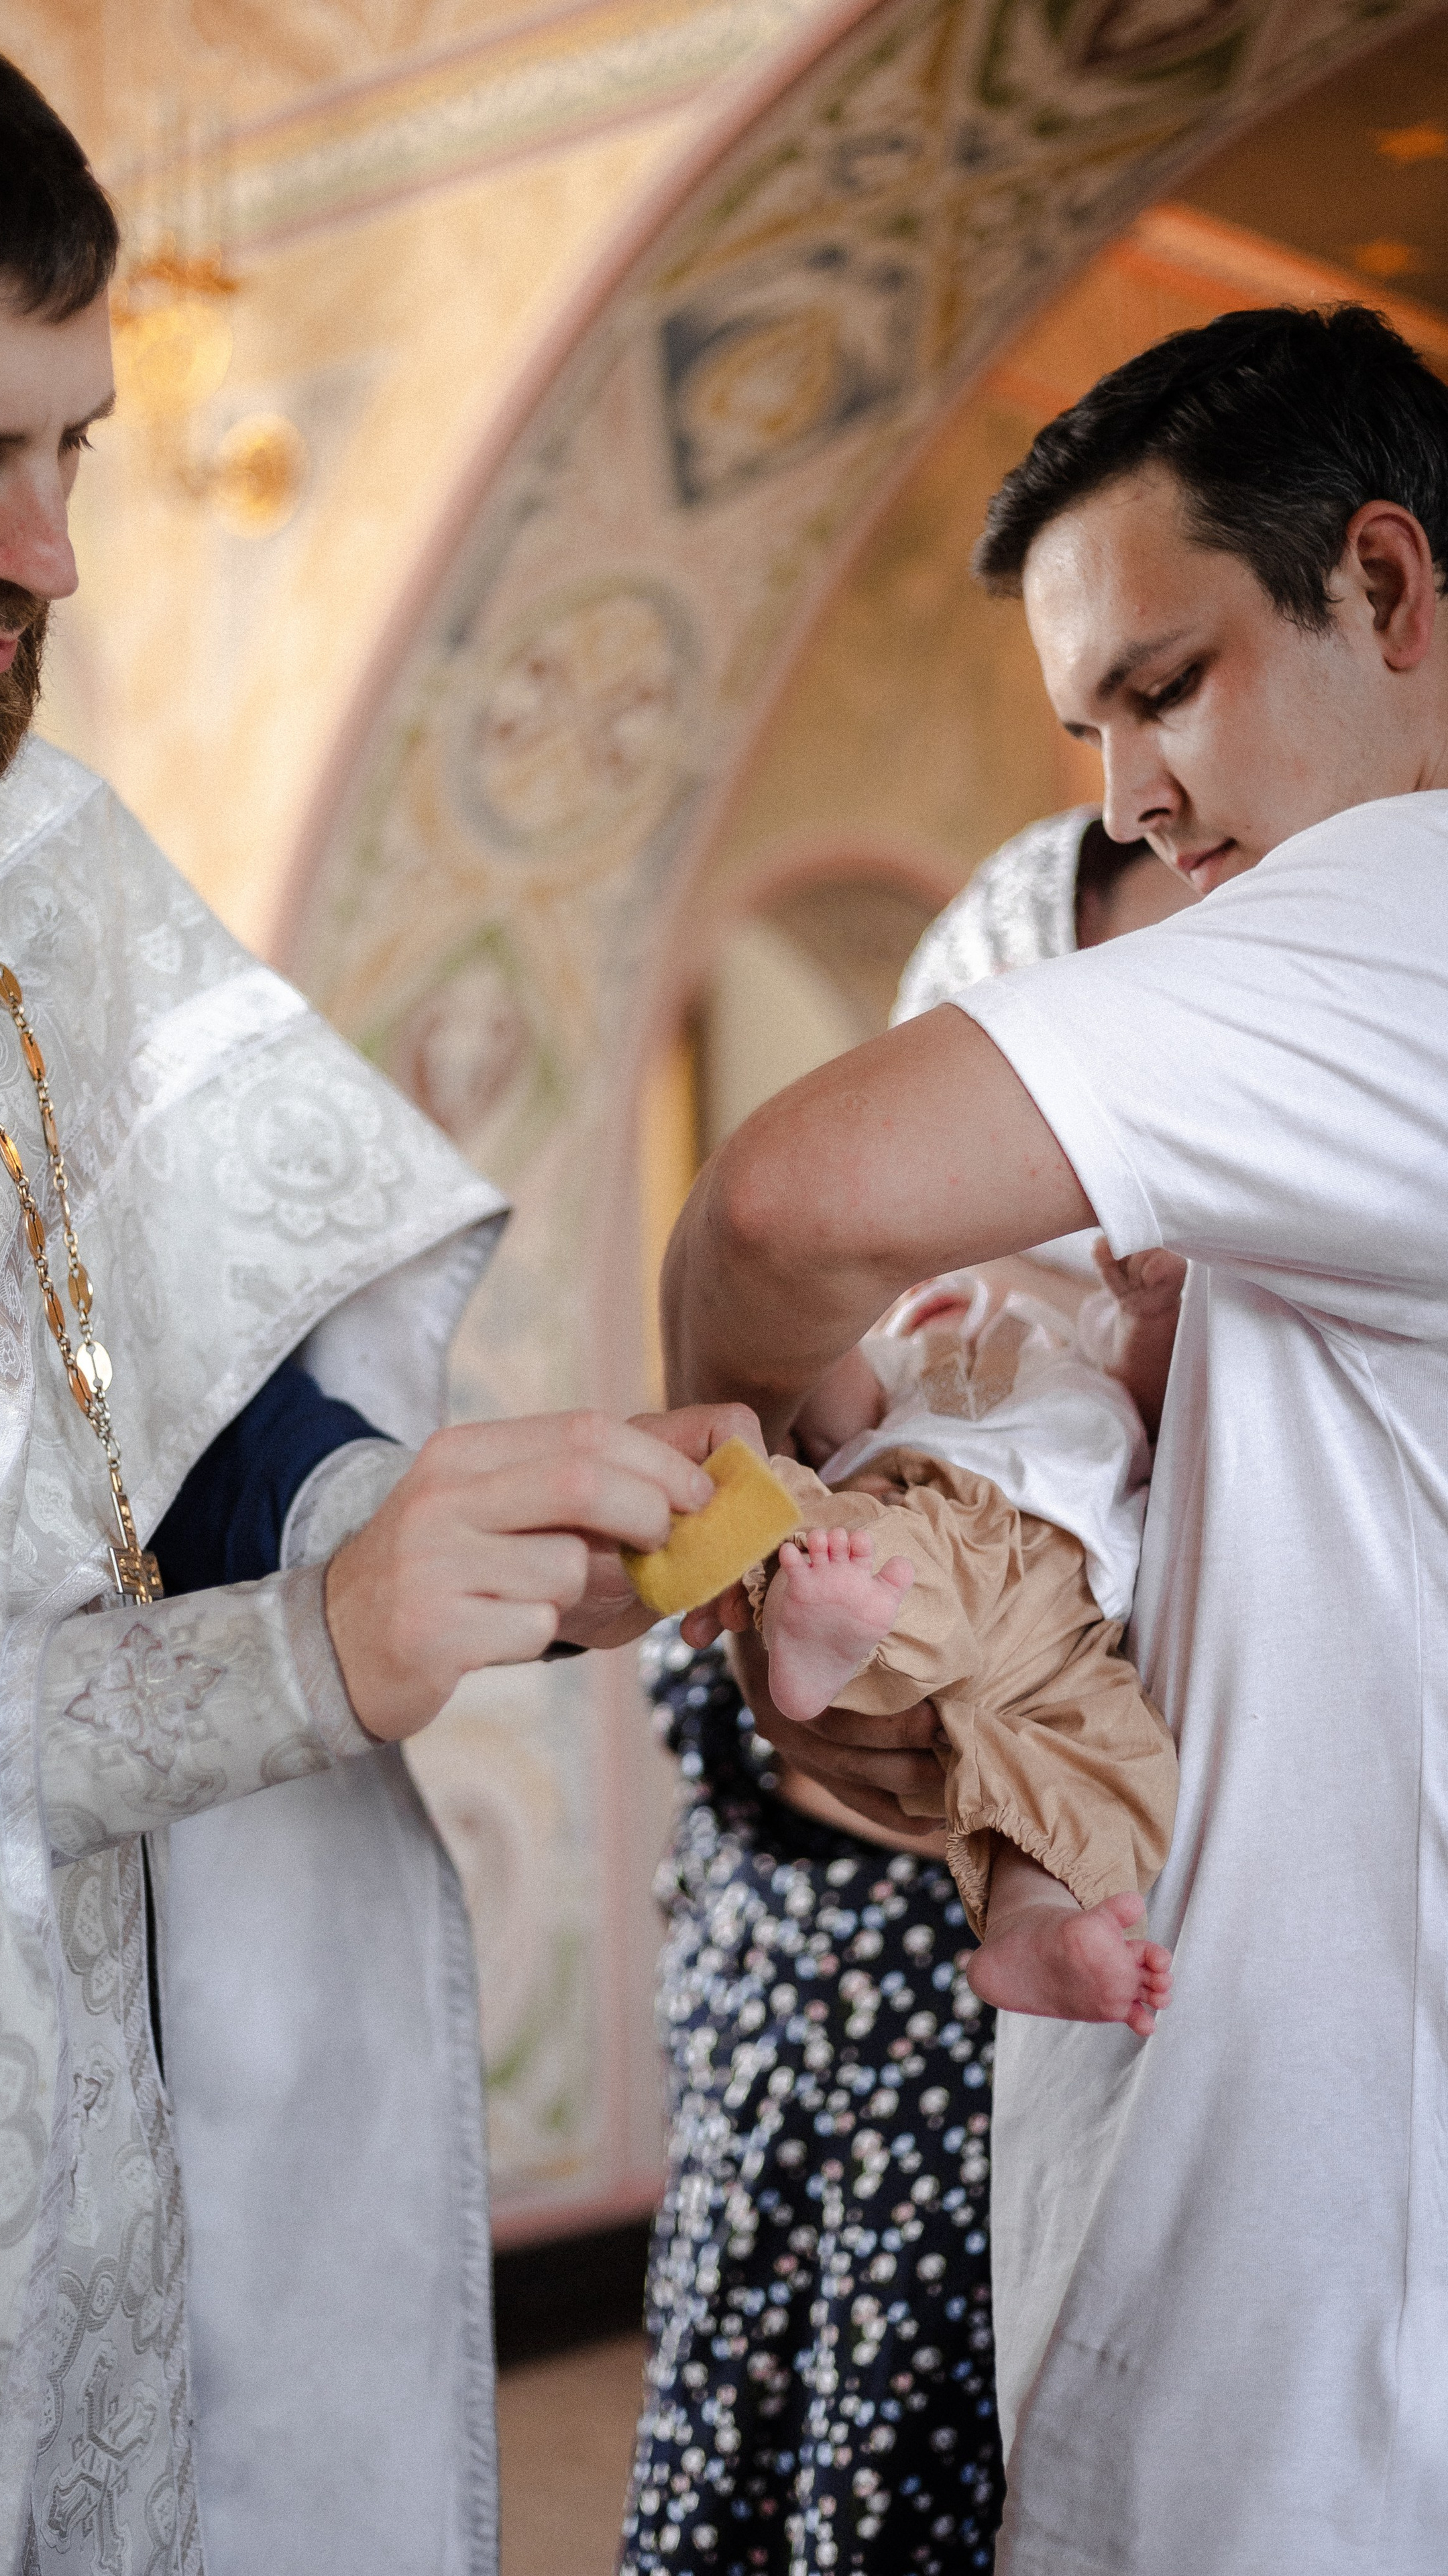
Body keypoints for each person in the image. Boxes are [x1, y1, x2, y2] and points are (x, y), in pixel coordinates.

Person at [0, 7, 753, 2571]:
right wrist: (307, 1662)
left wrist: (450, 1523)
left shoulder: (48, 860)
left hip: (101, 2194)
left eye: (70, 443)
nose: (56, 549)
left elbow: (190, 1426)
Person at [661, 300, 1448, 2573]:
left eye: (1167, 685)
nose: (1126, 798)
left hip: (1316, 2290)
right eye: (1087, 724)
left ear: (1390, 591)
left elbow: (781, 1197)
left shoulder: (1391, 907)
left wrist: (745, 1497)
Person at [621, 810, 1190, 2576]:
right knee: (814, 2426)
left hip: (1020, 1994)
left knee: (964, 2457)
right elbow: (715, 1666)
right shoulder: (938, 1315)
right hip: (833, 2028)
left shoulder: (1159, 1331)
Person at [730, 1265, 1178, 2038]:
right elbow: (836, 1412)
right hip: (964, 1518)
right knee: (874, 1553)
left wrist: (1150, 1312)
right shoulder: (929, 1367)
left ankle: (1032, 1919)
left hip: (1069, 1630)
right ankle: (821, 1632)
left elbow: (1153, 1396)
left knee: (1110, 1760)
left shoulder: (1084, 1362)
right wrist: (836, 1306)